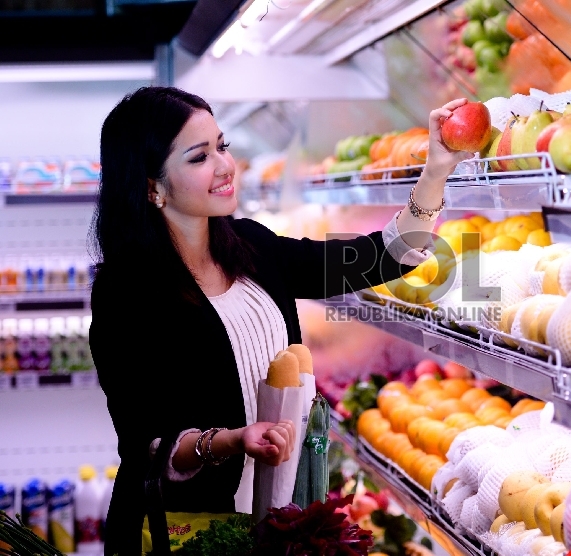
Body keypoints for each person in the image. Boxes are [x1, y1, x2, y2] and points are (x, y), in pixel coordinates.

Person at [89, 86, 470, 554]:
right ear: (151, 185)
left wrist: (436, 169)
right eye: (198, 157)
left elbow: (382, 258)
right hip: (187, 532)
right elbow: (143, 439)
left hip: (277, 522)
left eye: (222, 146)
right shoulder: (126, 291)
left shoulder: (250, 246)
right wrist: (231, 441)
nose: (226, 165)